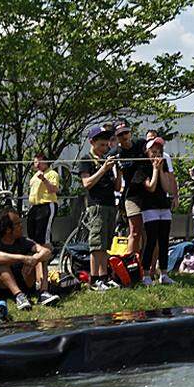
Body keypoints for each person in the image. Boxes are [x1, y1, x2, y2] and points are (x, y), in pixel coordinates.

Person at [0, 209, 59, 310]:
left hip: (22, 281)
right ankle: (19, 296)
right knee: (0, 261)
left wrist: (34, 259)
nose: (21, 226)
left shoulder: (23, 241)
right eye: (17, 224)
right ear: (8, 229)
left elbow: (47, 251)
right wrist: (23, 259)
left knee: (40, 257)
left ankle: (43, 293)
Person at [77, 124, 122, 291]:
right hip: (96, 206)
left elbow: (117, 187)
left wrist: (118, 169)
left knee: (106, 243)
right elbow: (86, 183)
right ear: (92, 142)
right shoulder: (86, 160)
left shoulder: (106, 160)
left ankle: (104, 276)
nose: (105, 147)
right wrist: (103, 169)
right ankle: (94, 278)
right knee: (96, 244)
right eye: (101, 144)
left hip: (111, 204)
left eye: (106, 144)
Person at [139, 136, 177, 286]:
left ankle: (164, 274)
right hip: (149, 207)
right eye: (153, 152)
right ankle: (146, 274)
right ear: (147, 152)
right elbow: (151, 187)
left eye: (159, 152)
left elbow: (167, 187)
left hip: (163, 206)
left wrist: (160, 170)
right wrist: (155, 170)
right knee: (151, 241)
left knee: (164, 241)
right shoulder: (142, 168)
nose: (156, 155)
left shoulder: (164, 165)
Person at [114, 122, 147, 257]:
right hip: (131, 195)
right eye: (120, 134)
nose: (124, 136)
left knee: (150, 232)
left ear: (130, 132)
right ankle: (130, 263)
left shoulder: (141, 144)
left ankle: (151, 268)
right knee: (134, 231)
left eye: (126, 132)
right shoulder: (116, 152)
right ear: (116, 137)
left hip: (148, 192)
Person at [26, 153, 60, 246]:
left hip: (47, 205)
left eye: (39, 162)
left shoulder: (52, 173)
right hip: (34, 206)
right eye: (35, 162)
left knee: (43, 234)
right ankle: (38, 256)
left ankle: (46, 255)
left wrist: (44, 180)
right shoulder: (35, 175)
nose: (36, 164)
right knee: (32, 233)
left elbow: (54, 189)